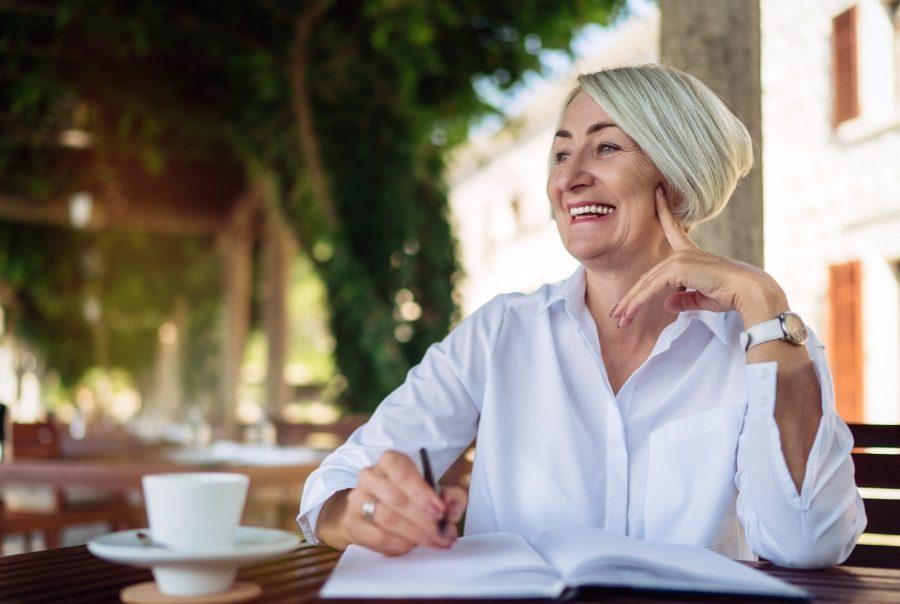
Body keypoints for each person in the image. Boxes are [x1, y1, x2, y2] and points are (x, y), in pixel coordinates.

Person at [298, 65, 866, 568]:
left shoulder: (765, 343)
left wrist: (765, 304)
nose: (569, 179)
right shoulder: (501, 333)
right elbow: (331, 489)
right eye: (562, 153)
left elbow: (807, 544)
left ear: (675, 172)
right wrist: (371, 511)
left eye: (607, 148)